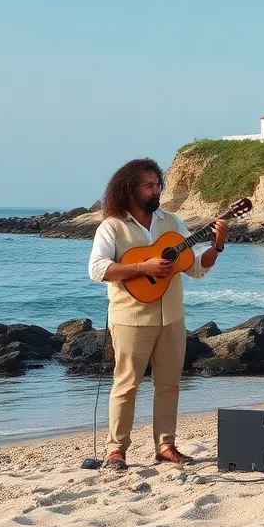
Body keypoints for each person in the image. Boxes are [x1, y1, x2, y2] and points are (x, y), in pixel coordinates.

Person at [87, 158, 228, 470]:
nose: (156, 190)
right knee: (126, 383)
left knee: (169, 383)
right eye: (148, 185)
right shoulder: (112, 226)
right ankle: (116, 450)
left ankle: (166, 446)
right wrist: (142, 267)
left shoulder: (173, 223)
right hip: (130, 317)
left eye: (157, 184)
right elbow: (96, 269)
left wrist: (216, 248)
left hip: (172, 317)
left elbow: (194, 269)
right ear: (130, 189)